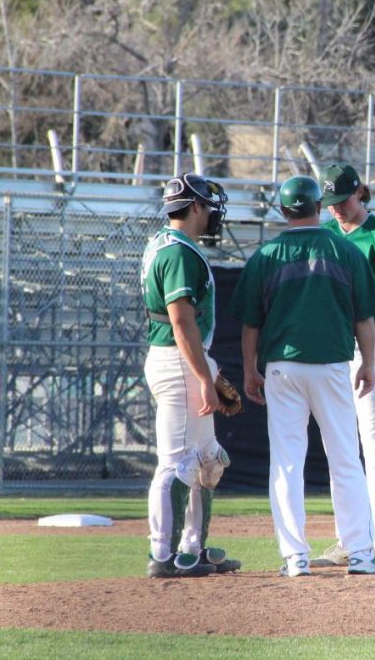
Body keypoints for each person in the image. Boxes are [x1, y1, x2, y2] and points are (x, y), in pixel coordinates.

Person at [229, 175, 375, 577]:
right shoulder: (345, 249)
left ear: (283, 210)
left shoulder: (267, 254)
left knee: (286, 462)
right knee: (345, 460)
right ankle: (359, 553)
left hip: (282, 370)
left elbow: (250, 324)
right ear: (320, 206)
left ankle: (295, 557)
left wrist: (250, 370)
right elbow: (366, 318)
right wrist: (369, 365)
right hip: (333, 367)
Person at [313, 163, 375, 571]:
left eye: (343, 200)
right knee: (340, 450)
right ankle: (350, 539)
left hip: (368, 343)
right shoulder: (325, 235)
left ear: (360, 192)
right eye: (330, 203)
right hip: (330, 347)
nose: (336, 209)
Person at [141, 173, 241, 578]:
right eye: (208, 205)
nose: (212, 213)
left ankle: (191, 549)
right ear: (195, 206)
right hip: (179, 361)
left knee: (208, 460)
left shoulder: (165, 243)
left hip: (181, 359)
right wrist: (203, 376)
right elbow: (181, 321)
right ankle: (162, 554)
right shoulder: (179, 252)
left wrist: (205, 370)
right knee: (177, 464)